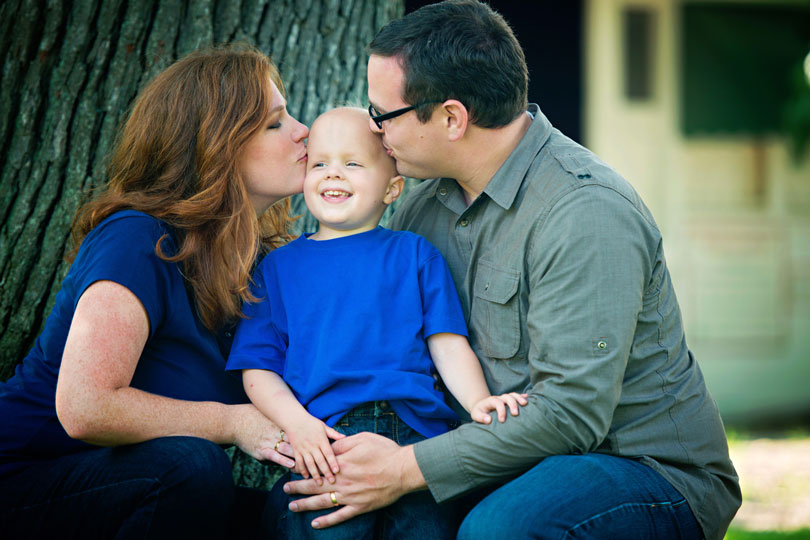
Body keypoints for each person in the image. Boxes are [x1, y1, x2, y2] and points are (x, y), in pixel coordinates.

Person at [283, 2, 742, 539]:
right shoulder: (419, 204)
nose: (373, 129)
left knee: (499, 529)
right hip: (498, 453)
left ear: (452, 118)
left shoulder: (584, 212)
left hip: (639, 467)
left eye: (382, 115)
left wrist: (404, 469)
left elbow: (572, 415)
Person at [0, 44, 307, 539]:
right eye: (274, 123)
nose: (302, 130)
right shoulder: (138, 239)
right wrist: (234, 423)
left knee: (303, 515)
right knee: (192, 467)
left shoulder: (265, 269)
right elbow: (86, 406)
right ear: (214, 146)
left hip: (146, 493)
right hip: (25, 482)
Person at [227, 107, 527, 539]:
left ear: (392, 188)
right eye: (319, 163)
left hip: (418, 440)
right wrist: (298, 425)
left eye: (352, 163)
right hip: (326, 443)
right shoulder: (277, 269)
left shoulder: (414, 254)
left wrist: (479, 403)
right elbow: (258, 369)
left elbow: (447, 343)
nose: (333, 174)